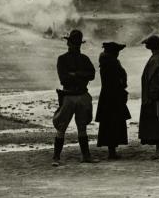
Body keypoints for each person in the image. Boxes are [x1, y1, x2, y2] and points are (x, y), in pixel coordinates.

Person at [52, 29, 97, 166]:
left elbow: (92, 75)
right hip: (73, 96)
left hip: (75, 96)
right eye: (74, 43)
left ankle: (84, 156)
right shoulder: (65, 59)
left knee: (80, 127)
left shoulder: (72, 59)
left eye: (77, 44)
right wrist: (80, 75)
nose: (75, 46)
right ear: (69, 44)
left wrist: (74, 74)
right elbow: (64, 79)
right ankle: (57, 158)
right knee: (62, 127)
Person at [96, 41, 131, 160]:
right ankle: (112, 151)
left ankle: (112, 151)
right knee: (113, 123)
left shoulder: (106, 62)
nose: (118, 54)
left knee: (109, 123)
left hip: (108, 96)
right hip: (113, 96)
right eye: (117, 52)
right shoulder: (112, 63)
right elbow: (119, 79)